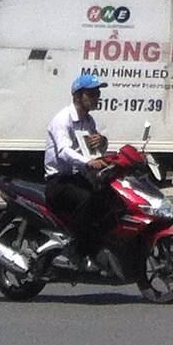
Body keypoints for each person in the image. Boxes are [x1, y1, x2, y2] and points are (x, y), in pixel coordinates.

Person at [41, 73, 115, 260]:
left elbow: (94, 150)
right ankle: (76, 249)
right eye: (91, 94)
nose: (96, 98)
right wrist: (88, 162)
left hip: (78, 178)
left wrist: (102, 141)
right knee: (87, 200)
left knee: (110, 198)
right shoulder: (62, 120)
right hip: (58, 181)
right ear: (77, 96)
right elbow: (64, 151)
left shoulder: (89, 121)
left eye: (97, 93)